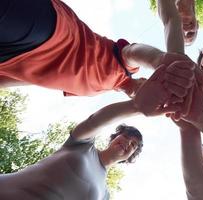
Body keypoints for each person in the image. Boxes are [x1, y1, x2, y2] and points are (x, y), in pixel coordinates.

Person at [0, 67, 182, 199]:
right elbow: (97, 120)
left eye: (133, 146)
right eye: (126, 137)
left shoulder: (104, 195)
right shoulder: (82, 145)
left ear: (130, 157)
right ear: (114, 137)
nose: (127, 143)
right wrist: (136, 107)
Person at [0, 0, 196, 100]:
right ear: (146, 79)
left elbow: (38, 80)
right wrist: (159, 60)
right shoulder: (126, 69)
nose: (153, 94)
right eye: (157, 88)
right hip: (52, 32)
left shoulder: (94, 91)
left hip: (12, 59)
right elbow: (134, 52)